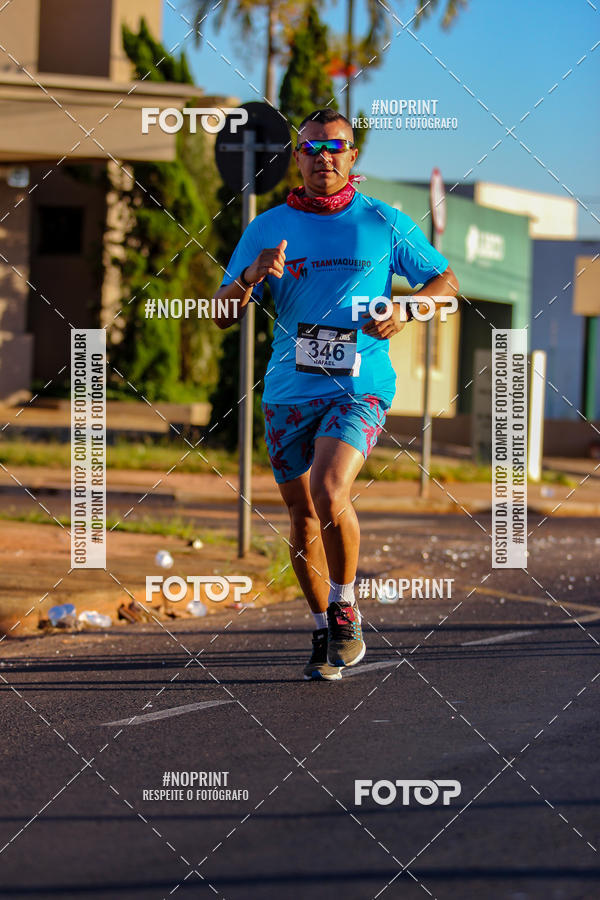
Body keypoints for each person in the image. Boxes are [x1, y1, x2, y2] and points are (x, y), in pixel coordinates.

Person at [213, 108, 459, 681]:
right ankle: (323, 628)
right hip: (287, 389)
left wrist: (408, 307)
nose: (323, 157)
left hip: (359, 386)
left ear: (353, 156)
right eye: (311, 149)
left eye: (335, 148)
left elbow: (445, 282)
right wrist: (250, 276)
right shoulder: (266, 226)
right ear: (296, 158)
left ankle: (346, 608)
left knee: (329, 488)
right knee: (300, 516)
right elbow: (222, 313)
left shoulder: (383, 221)